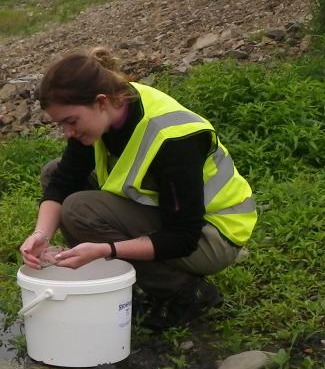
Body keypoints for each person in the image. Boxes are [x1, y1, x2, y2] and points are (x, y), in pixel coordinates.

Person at [19, 48, 257, 329]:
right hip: (168, 214)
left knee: (79, 210)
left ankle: (186, 293)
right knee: (53, 172)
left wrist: (106, 250)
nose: (67, 133)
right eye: (61, 125)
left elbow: (182, 238)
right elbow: (64, 180)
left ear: (101, 102)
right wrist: (41, 234)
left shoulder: (172, 139)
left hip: (212, 235)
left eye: (71, 122)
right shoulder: (111, 109)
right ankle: (117, 285)